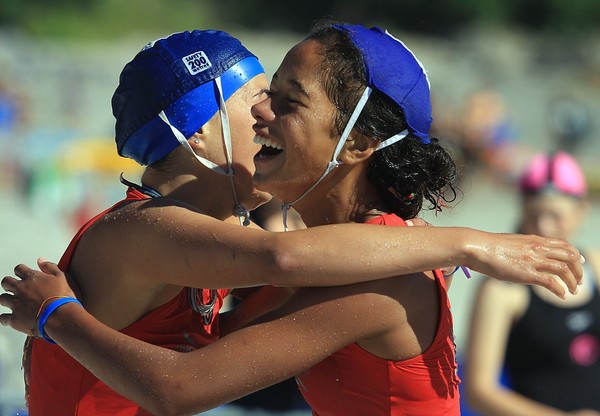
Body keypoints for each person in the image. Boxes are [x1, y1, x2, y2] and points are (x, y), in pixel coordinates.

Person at [0, 23, 585, 416]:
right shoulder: (157, 232)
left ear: (357, 142)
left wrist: (59, 319)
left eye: (285, 101)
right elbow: (263, 285)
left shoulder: (376, 273)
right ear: (197, 130)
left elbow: (184, 380)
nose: (263, 117)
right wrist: (465, 244)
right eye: (259, 97)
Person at [464, 151, 600, 416]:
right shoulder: (501, 288)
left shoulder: (597, 265)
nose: (544, 227)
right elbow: (479, 391)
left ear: (581, 211)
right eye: (534, 215)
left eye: (555, 216)